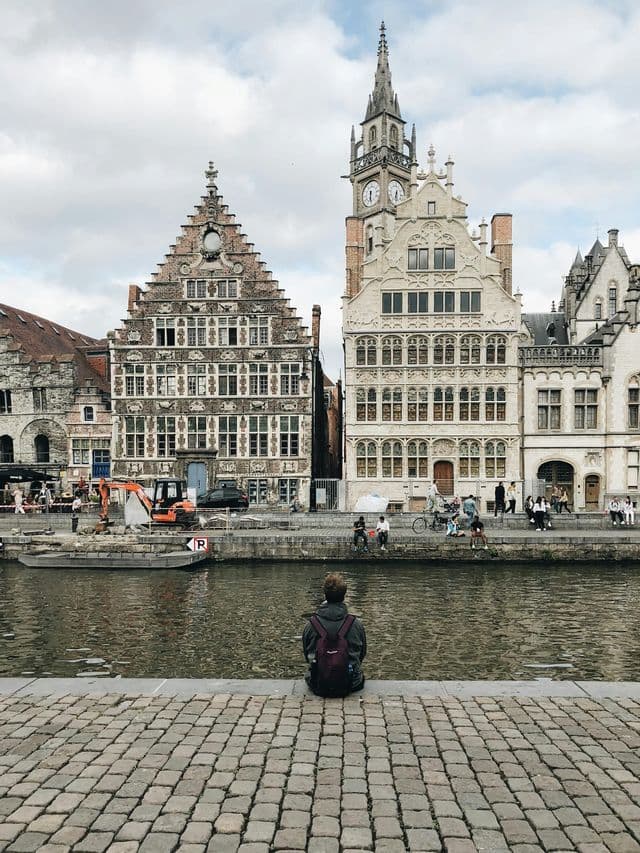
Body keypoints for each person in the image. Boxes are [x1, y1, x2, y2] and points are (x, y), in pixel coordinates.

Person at [303, 572, 366, 697]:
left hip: (318, 681)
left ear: (325, 595)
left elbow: (307, 654)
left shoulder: (311, 624)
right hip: (351, 682)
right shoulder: (356, 624)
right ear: (344, 595)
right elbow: (362, 654)